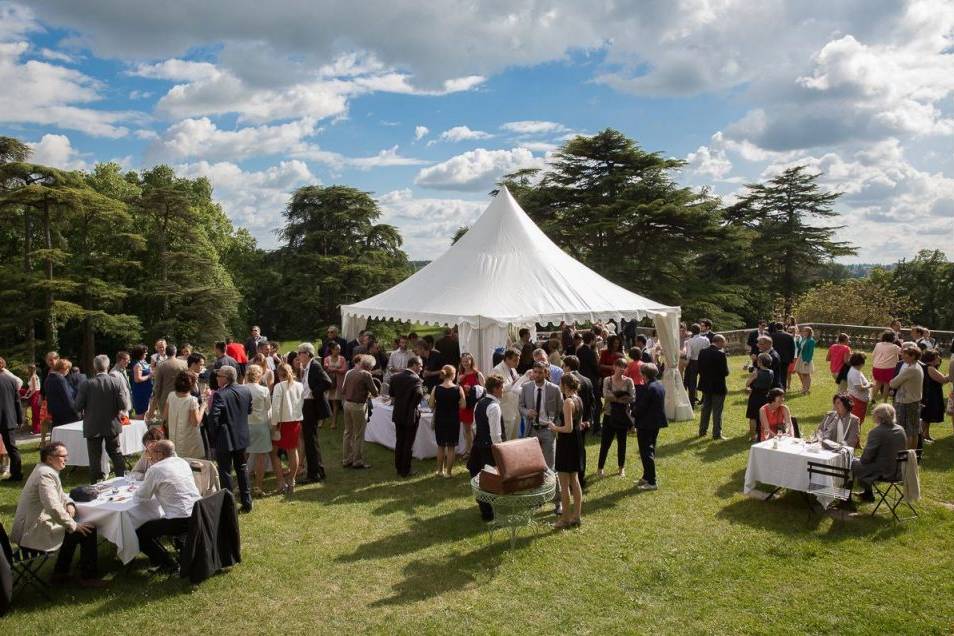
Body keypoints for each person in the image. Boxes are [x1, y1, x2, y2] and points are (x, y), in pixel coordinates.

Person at [11, 441, 103, 587]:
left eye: (66, 455)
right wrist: (73, 525)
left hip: (32, 528)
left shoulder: (45, 470)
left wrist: (69, 503)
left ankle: (61, 573)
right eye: (63, 456)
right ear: (49, 458)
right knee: (87, 530)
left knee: (74, 530)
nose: (66, 459)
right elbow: (53, 506)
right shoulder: (45, 475)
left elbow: (59, 494)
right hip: (31, 533)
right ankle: (87, 577)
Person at [133, 440, 203, 574]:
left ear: (160, 454)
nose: (150, 457)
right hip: (198, 512)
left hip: (180, 519)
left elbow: (141, 496)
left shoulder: (156, 469)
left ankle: (167, 563)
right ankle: (167, 560)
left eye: (152, 454)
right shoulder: (181, 462)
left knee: (139, 533)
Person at [75, 354, 129, 483]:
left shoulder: (86, 384)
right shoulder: (116, 382)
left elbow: (77, 406)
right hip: (111, 423)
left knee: (95, 457)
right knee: (115, 453)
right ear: (108, 366)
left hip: (93, 424)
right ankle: (121, 479)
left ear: (95, 367)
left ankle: (96, 483)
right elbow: (123, 405)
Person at [519, 361, 563, 512]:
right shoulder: (526, 387)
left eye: (540, 372)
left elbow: (560, 411)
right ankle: (537, 499)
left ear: (546, 373)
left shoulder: (554, 389)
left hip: (547, 431)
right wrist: (527, 413)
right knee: (533, 467)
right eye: (534, 372)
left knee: (550, 467)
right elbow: (521, 406)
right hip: (532, 431)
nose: (536, 375)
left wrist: (554, 428)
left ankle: (558, 501)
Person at [208, 366, 253, 513]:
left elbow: (213, 418)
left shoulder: (220, 394)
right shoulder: (245, 390)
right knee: (241, 468)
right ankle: (247, 501)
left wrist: (213, 436)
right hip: (241, 435)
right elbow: (249, 410)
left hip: (225, 438)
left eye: (219, 375)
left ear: (226, 378)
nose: (216, 378)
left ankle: (229, 504)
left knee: (225, 471)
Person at [467, 375, 505, 521]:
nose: (503, 390)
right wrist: (500, 453)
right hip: (489, 449)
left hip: (478, 445)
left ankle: (484, 507)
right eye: (501, 388)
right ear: (495, 389)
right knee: (489, 480)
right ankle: (487, 512)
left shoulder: (479, 403)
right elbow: (496, 435)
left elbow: (474, 427)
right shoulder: (494, 407)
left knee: (477, 476)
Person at [852, 403, 907, 502]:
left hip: (884, 471)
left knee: (851, 463)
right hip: (899, 470)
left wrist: (860, 458)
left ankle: (845, 499)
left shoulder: (876, 432)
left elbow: (866, 459)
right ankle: (867, 494)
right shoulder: (900, 429)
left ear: (879, 417)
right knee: (858, 462)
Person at [551, 373, 584, 529]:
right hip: (577, 441)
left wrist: (554, 427)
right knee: (575, 480)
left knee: (564, 483)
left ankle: (564, 519)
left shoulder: (568, 402)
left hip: (566, 442)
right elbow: (578, 424)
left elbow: (568, 428)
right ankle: (576, 516)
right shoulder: (579, 399)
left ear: (565, 385)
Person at [297, 342, 332, 483]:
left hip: (311, 405)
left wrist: (313, 392)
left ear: (307, 354)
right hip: (307, 405)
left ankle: (314, 474)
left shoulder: (315, 366)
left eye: (300, 353)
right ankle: (318, 471)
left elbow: (327, 382)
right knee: (310, 440)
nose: (298, 355)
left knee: (310, 440)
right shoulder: (307, 366)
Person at [631, 364, 666, 491]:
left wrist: (632, 413)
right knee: (650, 450)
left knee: (646, 452)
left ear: (644, 375)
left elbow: (641, 407)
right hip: (655, 422)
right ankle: (647, 476)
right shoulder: (659, 385)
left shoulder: (648, 388)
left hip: (646, 423)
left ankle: (652, 481)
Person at [597, 358, 635, 478]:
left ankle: (621, 468)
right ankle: (600, 468)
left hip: (623, 416)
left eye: (624, 366)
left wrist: (615, 397)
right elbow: (605, 395)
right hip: (609, 415)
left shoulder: (629, 381)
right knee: (605, 444)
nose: (622, 369)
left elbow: (632, 397)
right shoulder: (607, 380)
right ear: (614, 367)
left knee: (622, 443)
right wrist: (620, 398)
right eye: (619, 366)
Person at [240, 365, 274, 497]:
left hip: (245, 425)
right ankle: (258, 486)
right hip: (260, 425)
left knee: (244, 456)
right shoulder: (264, 390)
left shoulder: (241, 389)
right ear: (260, 376)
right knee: (260, 457)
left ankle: (243, 485)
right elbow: (268, 408)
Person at [340, 354, 378, 470]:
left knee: (347, 433)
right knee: (359, 435)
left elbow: (343, 390)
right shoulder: (366, 374)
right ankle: (357, 460)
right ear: (369, 366)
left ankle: (346, 459)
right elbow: (375, 392)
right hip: (358, 406)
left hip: (347, 404)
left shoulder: (350, 372)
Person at [270, 362, 303, 495]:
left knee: (274, 453)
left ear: (278, 374)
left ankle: (281, 482)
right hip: (295, 421)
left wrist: (274, 424)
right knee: (292, 450)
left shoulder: (279, 386)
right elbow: (301, 403)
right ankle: (291, 480)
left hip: (282, 423)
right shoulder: (299, 385)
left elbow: (276, 407)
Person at [390, 356, 424, 477]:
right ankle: (405, 469)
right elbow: (420, 394)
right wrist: (414, 405)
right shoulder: (415, 379)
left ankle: (399, 467)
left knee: (400, 441)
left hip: (398, 412)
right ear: (414, 365)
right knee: (408, 443)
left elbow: (392, 394)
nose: (421, 368)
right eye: (420, 365)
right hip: (410, 414)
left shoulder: (396, 377)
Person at [562, 355, 592, 487]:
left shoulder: (566, 383)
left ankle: (573, 480)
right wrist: (589, 419)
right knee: (581, 450)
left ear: (568, 367)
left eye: (563, 366)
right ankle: (581, 477)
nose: (563, 368)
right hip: (583, 421)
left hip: (572, 422)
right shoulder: (587, 380)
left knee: (570, 453)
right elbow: (592, 403)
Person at [429, 364, 465, 477]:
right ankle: (448, 472)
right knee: (451, 447)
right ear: (453, 375)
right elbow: (463, 405)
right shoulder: (458, 389)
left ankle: (440, 471)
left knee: (440, 446)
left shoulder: (436, 388)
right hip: (453, 419)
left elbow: (430, 405)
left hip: (440, 419)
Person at [164, 371, 207, 460]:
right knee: (192, 463)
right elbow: (195, 422)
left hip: (174, 436)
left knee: (176, 460)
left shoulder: (171, 395)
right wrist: (203, 407)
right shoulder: (192, 400)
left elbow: (165, 415)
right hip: (189, 439)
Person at [889, 345, 924, 449]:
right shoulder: (917, 366)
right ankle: (912, 456)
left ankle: (906, 456)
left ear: (913, 356)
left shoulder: (911, 369)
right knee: (913, 431)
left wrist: (893, 381)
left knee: (906, 431)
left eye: (905, 354)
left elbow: (893, 383)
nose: (902, 356)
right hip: (914, 401)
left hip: (906, 403)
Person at [697, 334, 729, 440]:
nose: (724, 344)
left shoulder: (702, 352)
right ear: (719, 342)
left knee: (706, 408)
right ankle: (716, 433)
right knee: (717, 410)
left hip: (706, 385)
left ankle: (702, 430)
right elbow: (725, 372)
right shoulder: (720, 354)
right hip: (718, 386)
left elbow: (699, 368)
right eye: (724, 342)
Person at [147, 345, 187, 423]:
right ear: (175, 352)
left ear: (166, 352)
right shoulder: (184, 364)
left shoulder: (161, 365)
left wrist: (155, 400)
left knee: (167, 423)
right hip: (181, 395)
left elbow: (158, 385)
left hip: (165, 397)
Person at [491, 349, 523, 442]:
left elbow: (516, 386)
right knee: (506, 439)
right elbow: (495, 390)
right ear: (507, 359)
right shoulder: (497, 369)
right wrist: (513, 383)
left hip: (515, 409)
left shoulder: (513, 369)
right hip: (505, 410)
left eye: (518, 360)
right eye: (515, 360)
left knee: (514, 438)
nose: (517, 362)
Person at [457, 353, 484, 458]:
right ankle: (469, 450)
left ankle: (478, 450)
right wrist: (459, 382)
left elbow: (484, 390)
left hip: (476, 405)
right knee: (467, 430)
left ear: (471, 361)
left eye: (467, 361)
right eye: (463, 361)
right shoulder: (460, 375)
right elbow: (456, 390)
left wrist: (473, 390)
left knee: (476, 429)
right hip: (465, 405)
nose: (465, 363)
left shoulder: (478, 374)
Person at [0, 362, 23, 482]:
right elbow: (17, 402)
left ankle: (15, 473)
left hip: (6, 418)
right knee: (12, 448)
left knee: (11, 448)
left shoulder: (11, 380)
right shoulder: (12, 380)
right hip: (8, 418)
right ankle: (17, 474)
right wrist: (20, 418)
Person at [919, 349, 948, 444]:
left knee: (928, 416)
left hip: (931, 393)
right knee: (926, 416)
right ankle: (922, 437)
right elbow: (943, 380)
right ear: (931, 358)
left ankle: (926, 434)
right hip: (930, 395)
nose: (939, 358)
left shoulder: (928, 367)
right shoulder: (929, 368)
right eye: (936, 357)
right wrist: (951, 373)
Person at [745, 353, 775, 441]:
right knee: (763, 415)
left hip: (755, 396)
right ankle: (763, 433)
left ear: (760, 362)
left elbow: (747, 383)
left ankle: (753, 436)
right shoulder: (771, 372)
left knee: (753, 417)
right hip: (765, 396)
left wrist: (753, 376)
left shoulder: (757, 373)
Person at [576, 332, 602, 435]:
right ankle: (596, 427)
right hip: (591, 380)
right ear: (591, 340)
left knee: (584, 403)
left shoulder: (579, 351)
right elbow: (595, 367)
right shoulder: (591, 352)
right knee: (597, 404)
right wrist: (600, 375)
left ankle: (583, 424)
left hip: (581, 379)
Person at [323, 342, 348, 430]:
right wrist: (336, 369)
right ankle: (322, 420)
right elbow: (325, 367)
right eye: (337, 349)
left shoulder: (342, 358)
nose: (339, 350)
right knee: (325, 402)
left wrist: (333, 369)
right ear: (332, 350)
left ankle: (334, 422)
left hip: (338, 384)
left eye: (339, 349)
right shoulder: (327, 358)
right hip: (329, 383)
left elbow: (344, 369)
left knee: (335, 403)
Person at [872, 331, 902, 402]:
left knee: (877, 383)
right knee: (887, 384)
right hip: (889, 368)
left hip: (877, 367)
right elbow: (902, 352)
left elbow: (873, 354)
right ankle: (885, 400)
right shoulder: (894, 347)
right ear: (893, 338)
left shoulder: (878, 345)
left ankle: (873, 398)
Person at [683, 324, 709, 406]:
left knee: (692, 383)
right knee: (705, 381)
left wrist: (686, 362)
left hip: (693, 362)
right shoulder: (706, 339)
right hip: (704, 362)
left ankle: (692, 402)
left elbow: (689, 355)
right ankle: (705, 400)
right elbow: (708, 351)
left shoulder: (690, 341)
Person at [846, 352, 873, 424]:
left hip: (858, 399)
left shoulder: (855, 370)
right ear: (861, 362)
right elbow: (859, 387)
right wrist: (869, 385)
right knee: (856, 422)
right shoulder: (855, 372)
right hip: (857, 400)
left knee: (857, 421)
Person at [769, 322, 796, 391]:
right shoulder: (789, 336)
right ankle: (783, 388)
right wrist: (791, 359)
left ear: (775, 328)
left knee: (775, 373)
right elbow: (792, 348)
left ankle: (774, 388)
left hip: (774, 358)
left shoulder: (772, 336)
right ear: (783, 327)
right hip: (785, 359)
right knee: (784, 374)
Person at [129, 345, 153, 416]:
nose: (146, 353)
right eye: (145, 352)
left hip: (146, 391)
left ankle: (144, 426)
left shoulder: (143, 361)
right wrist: (149, 376)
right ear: (139, 354)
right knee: (140, 414)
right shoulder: (137, 365)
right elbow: (137, 379)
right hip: (140, 392)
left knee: (146, 412)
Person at [109, 351, 132, 421]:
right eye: (128, 360)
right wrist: (119, 410)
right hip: (121, 410)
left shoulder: (123, 370)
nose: (129, 362)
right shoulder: (113, 374)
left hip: (126, 406)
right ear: (122, 360)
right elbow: (113, 394)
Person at [21, 363, 42, 435]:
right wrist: (26, 394)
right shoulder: (33, 376)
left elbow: (34, 389)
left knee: (35, 412)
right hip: (34, 393)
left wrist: (28, 396)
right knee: (34, 412)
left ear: (30, 369)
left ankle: (37, 429)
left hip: (35, 394)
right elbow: (30, 388)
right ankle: (36, 428)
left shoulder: (33, 377)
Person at [794, 326, 816, 395]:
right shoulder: (803, 339)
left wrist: (807, 360)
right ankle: (804, 387)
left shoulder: (811, 341)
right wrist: (797, 341)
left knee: (806, 374)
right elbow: (800, 348)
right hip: (801, 357)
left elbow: (811, 352)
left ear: (809, 332)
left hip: (806, 358)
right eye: (803, 331)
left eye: (805, 331)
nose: (804, 332)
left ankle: (806, 389)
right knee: (803, 373)